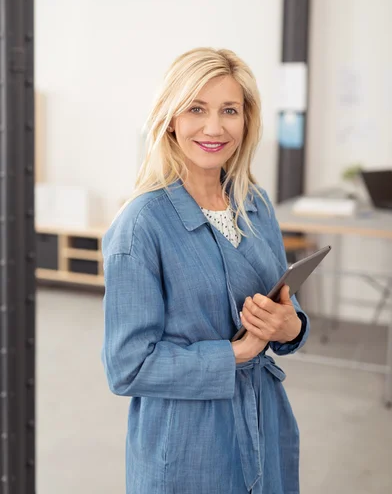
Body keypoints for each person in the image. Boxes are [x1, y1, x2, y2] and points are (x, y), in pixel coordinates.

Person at [101, 47, 309, 494]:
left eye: (229, 110)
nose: (214, 128)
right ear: (170, 118)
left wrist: (291, 327)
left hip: (263, 417)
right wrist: (235, 354)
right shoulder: (140, 226)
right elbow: (126, 367)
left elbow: (284, 310)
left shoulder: (255, 203)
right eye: (196, 108)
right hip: (188, 436)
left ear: (246, 121)